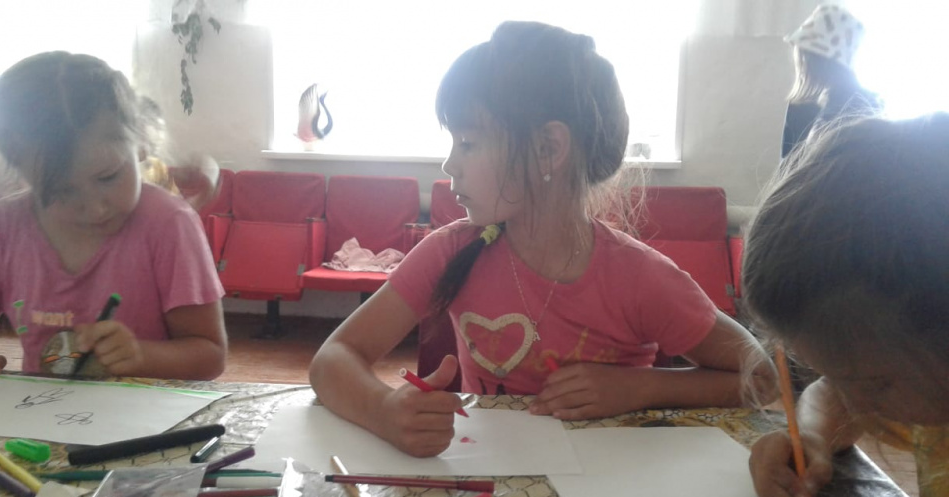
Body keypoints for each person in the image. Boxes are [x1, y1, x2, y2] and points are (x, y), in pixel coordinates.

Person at [309, 21, 774, 458]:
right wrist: (383, 410)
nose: (450, 165)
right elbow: (333, 358)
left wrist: (643, 387)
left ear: (548, 148)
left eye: (468, 143)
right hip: (489, 477)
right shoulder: (451, 250)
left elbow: (762, 378)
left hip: (610, 483)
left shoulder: (638, 277)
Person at [715, 113, 949, 497]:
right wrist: (812, 437)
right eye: (841, 377)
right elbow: (830, 394)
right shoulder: (920, 370)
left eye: (875, 385)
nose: (856, 405)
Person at [0, 52, 227, 380]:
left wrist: (141, 356)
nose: (95, 208)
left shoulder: (170, 224)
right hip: (40, 409)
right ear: (21, 171)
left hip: (149, 410)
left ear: (141, 141)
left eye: (108, 177)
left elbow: (210, 355)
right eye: (62, 192)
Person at [781, 3, 881, 159]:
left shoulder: (860, 109)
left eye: (802, 56)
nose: (799, 64)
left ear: (813, 60)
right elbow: (788, 164)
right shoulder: (802, 105)